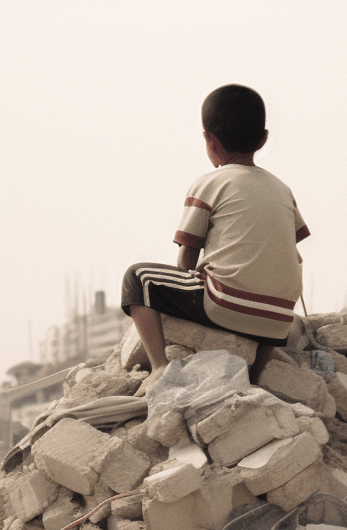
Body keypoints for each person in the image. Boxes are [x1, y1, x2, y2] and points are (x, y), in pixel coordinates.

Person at [121, 84, 310, 394]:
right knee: (268, 293)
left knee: (137, 277)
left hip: (224, 306)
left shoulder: (210, 183)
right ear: (263, 139)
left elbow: (186, 258)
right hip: (278, 319)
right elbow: (291, 243)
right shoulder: (282, 189)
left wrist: (189, 280)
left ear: (209, 140)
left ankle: (158, 366)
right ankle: (256, 374)